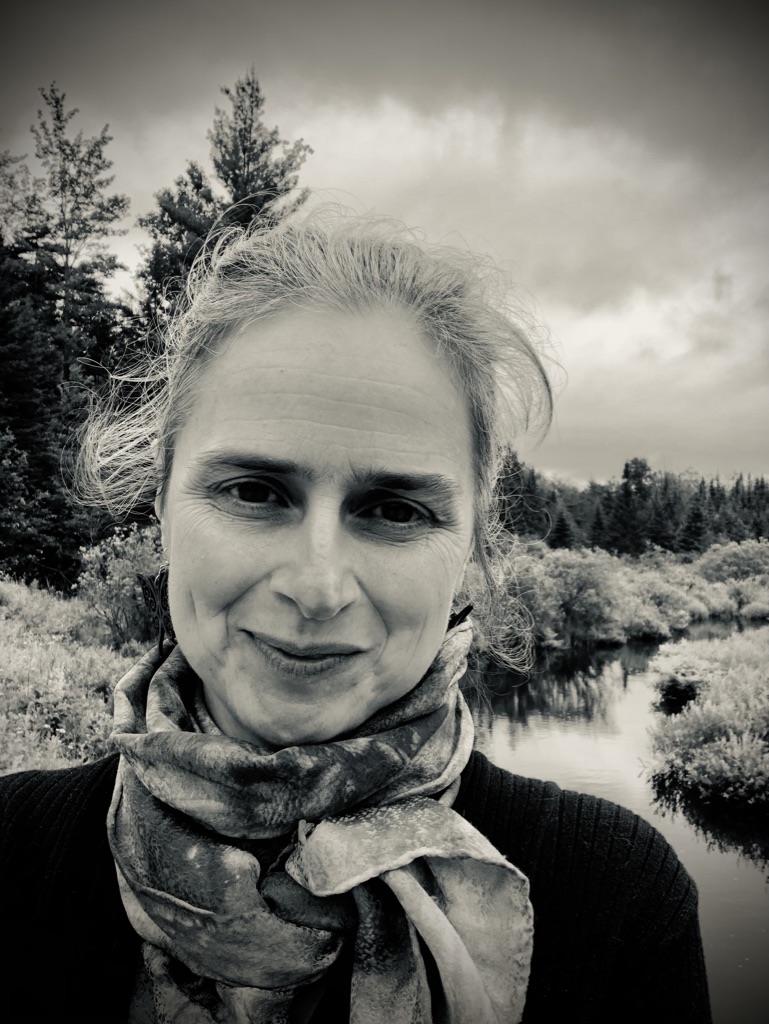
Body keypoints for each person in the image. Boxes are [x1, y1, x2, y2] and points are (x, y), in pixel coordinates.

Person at [0, 212, 711, 1023]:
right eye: (254, 491)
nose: (317, 586)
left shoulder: (612, 894)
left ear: (472, 544)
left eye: (395, 509)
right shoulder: (12, 851)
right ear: (161, 504)